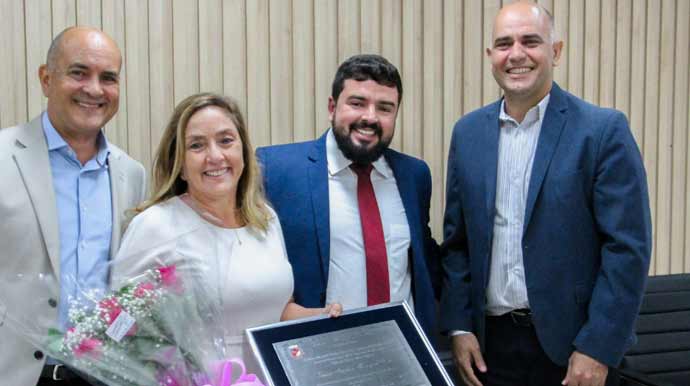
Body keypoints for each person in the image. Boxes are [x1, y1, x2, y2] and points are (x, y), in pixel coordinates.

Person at [440, 2, 652, 386]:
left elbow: (627, 249)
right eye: (504, 43)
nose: (516, 54)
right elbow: (457, 244)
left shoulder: (602, 131)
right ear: (490, 56)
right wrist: (458, 325)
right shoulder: (467, 134)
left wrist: (598, 348)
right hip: (490, 349)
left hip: (573, 349)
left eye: (530, 41)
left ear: (556, 51)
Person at [110, 93, 341, 374]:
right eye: (197, 145)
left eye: (226, 141)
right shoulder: (155, 225)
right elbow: (118, 329)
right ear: (180, 164)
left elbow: (276, 310)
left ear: (243, 151)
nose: (215, 156)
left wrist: (323, 316)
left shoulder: (264, 218)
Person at [0, 27, 146, 385]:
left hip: (101, 376)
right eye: (79, 72)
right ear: (46, 79)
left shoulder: (131, 175)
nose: (95, 89)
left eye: (108, 78)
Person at [256, 54, 440, 338]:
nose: (370, 117)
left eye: (385, 108)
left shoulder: (414, 175)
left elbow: (426, 265)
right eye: (357, 103)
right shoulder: (276, 170)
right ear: (332, 107)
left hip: (403, 350)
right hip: (320, 354)